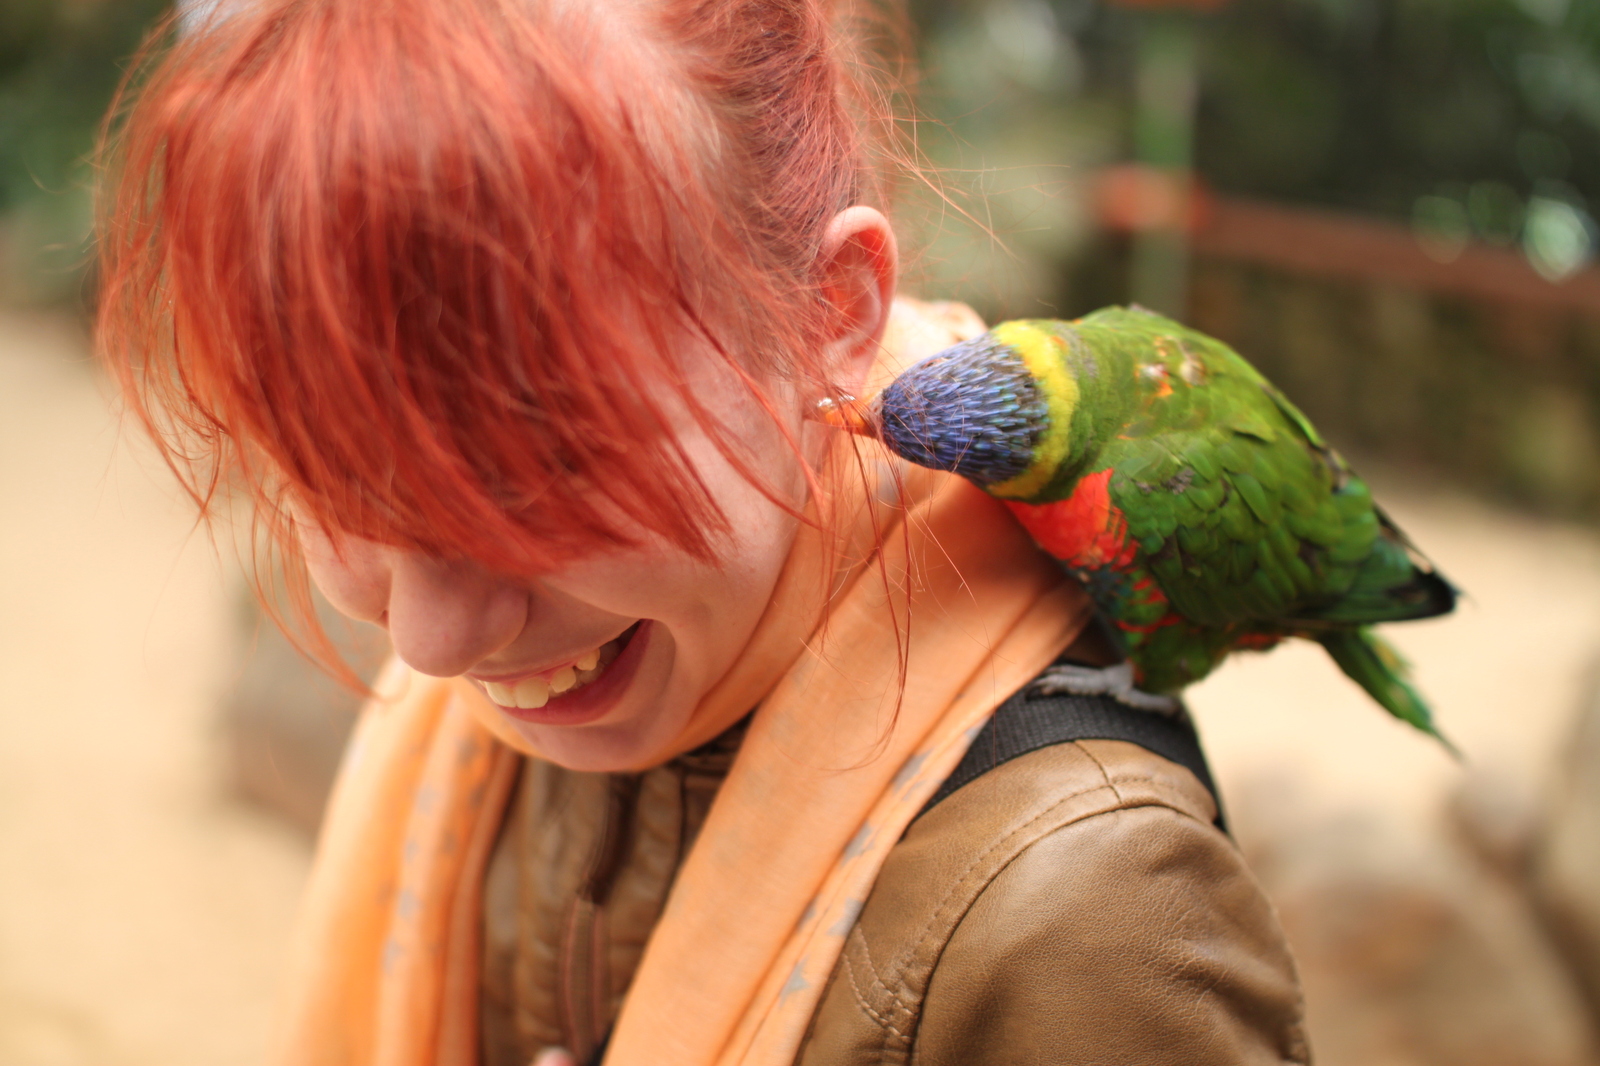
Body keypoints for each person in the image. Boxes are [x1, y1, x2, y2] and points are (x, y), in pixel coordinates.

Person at [96, 0, 1310, 1063]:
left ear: (826, 312)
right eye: (323, 482)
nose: (432, 640)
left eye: (528, 478)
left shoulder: (1083, 932)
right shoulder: (570, 696)